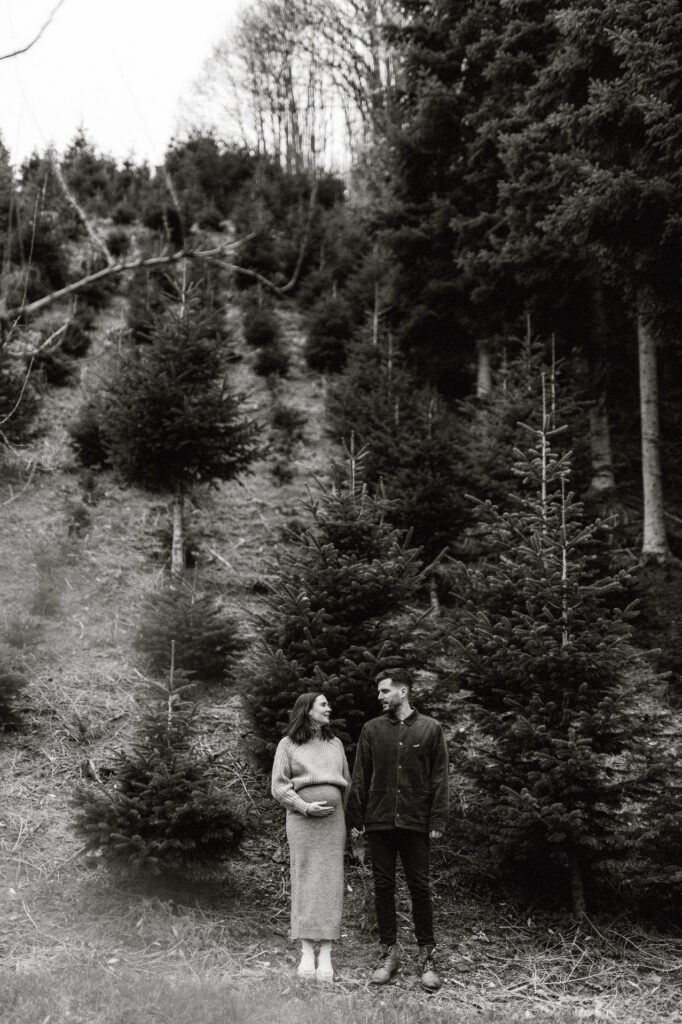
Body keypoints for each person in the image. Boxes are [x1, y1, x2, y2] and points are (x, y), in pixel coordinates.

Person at [347, 669, 449, 992]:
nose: (379, 696)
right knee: (383, 887)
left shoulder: (430, 728)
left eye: (384, 691)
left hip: (416, 823)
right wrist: (356, 819)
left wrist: (437, 820)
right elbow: (360, 775)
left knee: (420, 887)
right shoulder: (372, 729)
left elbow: (440, 777)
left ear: (402, 692)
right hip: (379, 822)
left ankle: (427, 957)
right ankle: (388, 954)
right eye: (379, 691)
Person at [271, 692, 351, 982]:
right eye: (324, 704)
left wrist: (347, 818)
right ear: (307, 710)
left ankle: (326, 954)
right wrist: (304, 807)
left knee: (331, 881)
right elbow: (279, 787)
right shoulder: (288, 744)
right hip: (302, 821)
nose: (330, 708)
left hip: (333, 822)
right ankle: (306, 951)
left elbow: (347, 784)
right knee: (304, 878)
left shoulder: (335, 744)